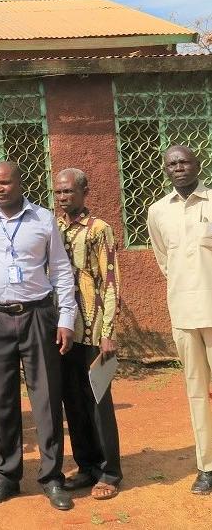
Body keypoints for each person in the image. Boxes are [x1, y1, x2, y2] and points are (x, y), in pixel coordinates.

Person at [0, 161, 77, 511]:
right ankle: (5, 476)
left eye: (5, 183)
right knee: (1, 400)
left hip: (38, 315)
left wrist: (66, 318)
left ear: (20, 183)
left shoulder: (43, 219)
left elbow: (60, 270)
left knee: (46, 398)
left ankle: (51, 477)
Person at [53, 168, 122, 500]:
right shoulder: (53, 228)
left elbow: (110, 282)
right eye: (58, 192)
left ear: (84, 192)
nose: (63, 197)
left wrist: (108, 331)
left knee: (98, 401)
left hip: (94, 330)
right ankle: (86, 465)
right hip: (64, 330)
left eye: (68, 191)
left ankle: (109, 471)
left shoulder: (99, 229)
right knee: (73, 400)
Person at [148, 145, 212, 496]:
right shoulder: (158, 211)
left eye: (184, 161)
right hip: (184, 313)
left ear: (197, 164)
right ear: (165, 170)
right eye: (171, 163)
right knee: (197, 391)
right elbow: (164, 261)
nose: (178, 167)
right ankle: (207, 466)